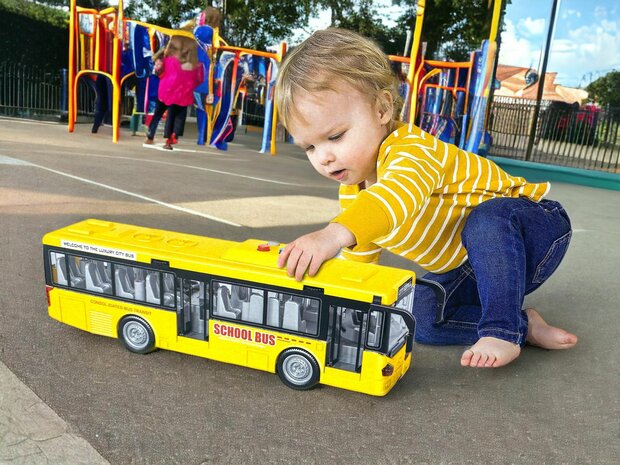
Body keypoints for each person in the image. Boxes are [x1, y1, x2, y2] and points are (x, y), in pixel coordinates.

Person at [274, 28, 578, 369]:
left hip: (532, 232)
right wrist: (339, 314)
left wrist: (330, 235)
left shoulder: (410, 150)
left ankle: (501, 331)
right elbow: (360, 267)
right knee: (419, 314)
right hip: (469, 270)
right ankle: (523, 325)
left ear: (382, 109)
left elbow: (394, 198)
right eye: (310, 147)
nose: (324, 157)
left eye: (335, 136)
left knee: (487, 220)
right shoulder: (354, 197)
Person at [145, 35, 204, 149]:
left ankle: (150, 135)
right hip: (184, 95)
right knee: (178, 116)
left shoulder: (168, 60)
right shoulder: (196, 65)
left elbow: (159, 73)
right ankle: (172, 136)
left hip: (166, 91)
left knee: (158, 114)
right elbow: (199, 80)